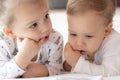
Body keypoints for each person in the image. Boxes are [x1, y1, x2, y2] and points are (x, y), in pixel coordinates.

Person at [0, 0, 63, 78]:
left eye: (46, 16)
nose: (46, 28)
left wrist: (43, 71)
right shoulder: (3, 42)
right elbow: (2, 73)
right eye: (34, 25)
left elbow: (58, 69)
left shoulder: (55, 39)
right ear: (10, 32)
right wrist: (22, 58)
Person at [63, 0, 120, 76]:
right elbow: (63, 69)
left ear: (106, 30)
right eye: (73, 34)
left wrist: (77, 63)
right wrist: (68, 62)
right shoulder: (82, 43)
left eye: (88, 36)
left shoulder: (114, 42)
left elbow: (111, 73)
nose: (79, 43)